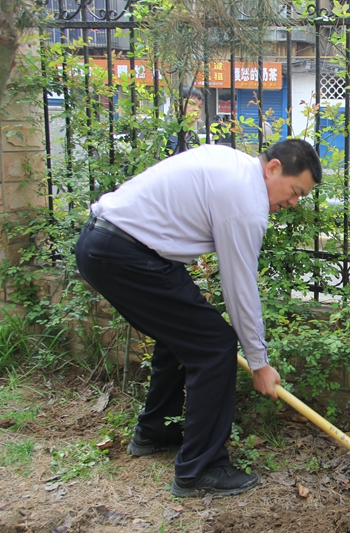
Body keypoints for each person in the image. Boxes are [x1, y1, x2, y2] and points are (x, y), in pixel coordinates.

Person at [75, 140, 322, 497]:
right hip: (124, 253)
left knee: (185, 337)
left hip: (110, 244)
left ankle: (157, 431)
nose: (294, 203)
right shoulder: (245, 202)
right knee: (215, 344)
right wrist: (259, 363)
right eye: (296, 191)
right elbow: (240, 288)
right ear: (273, 169)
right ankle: (200, 469)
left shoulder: (233, 165)